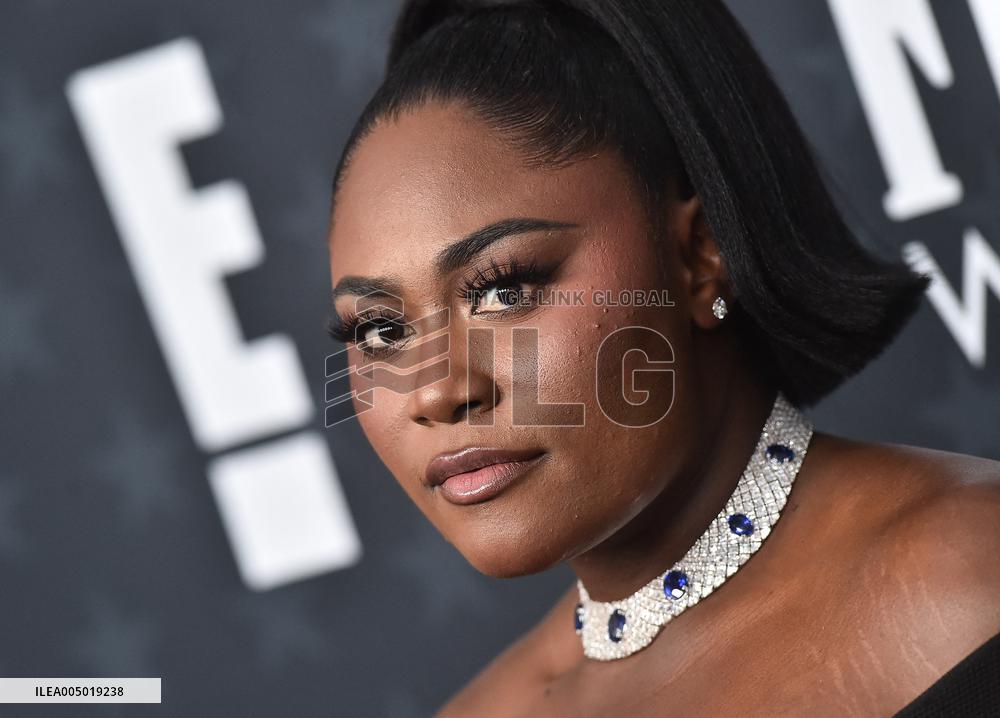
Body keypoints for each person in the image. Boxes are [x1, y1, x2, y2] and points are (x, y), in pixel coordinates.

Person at [323, 0, 1000, 714]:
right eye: (381, 332)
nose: (434, 392)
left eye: (503, 289)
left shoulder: (967, 586)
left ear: (699, 252)